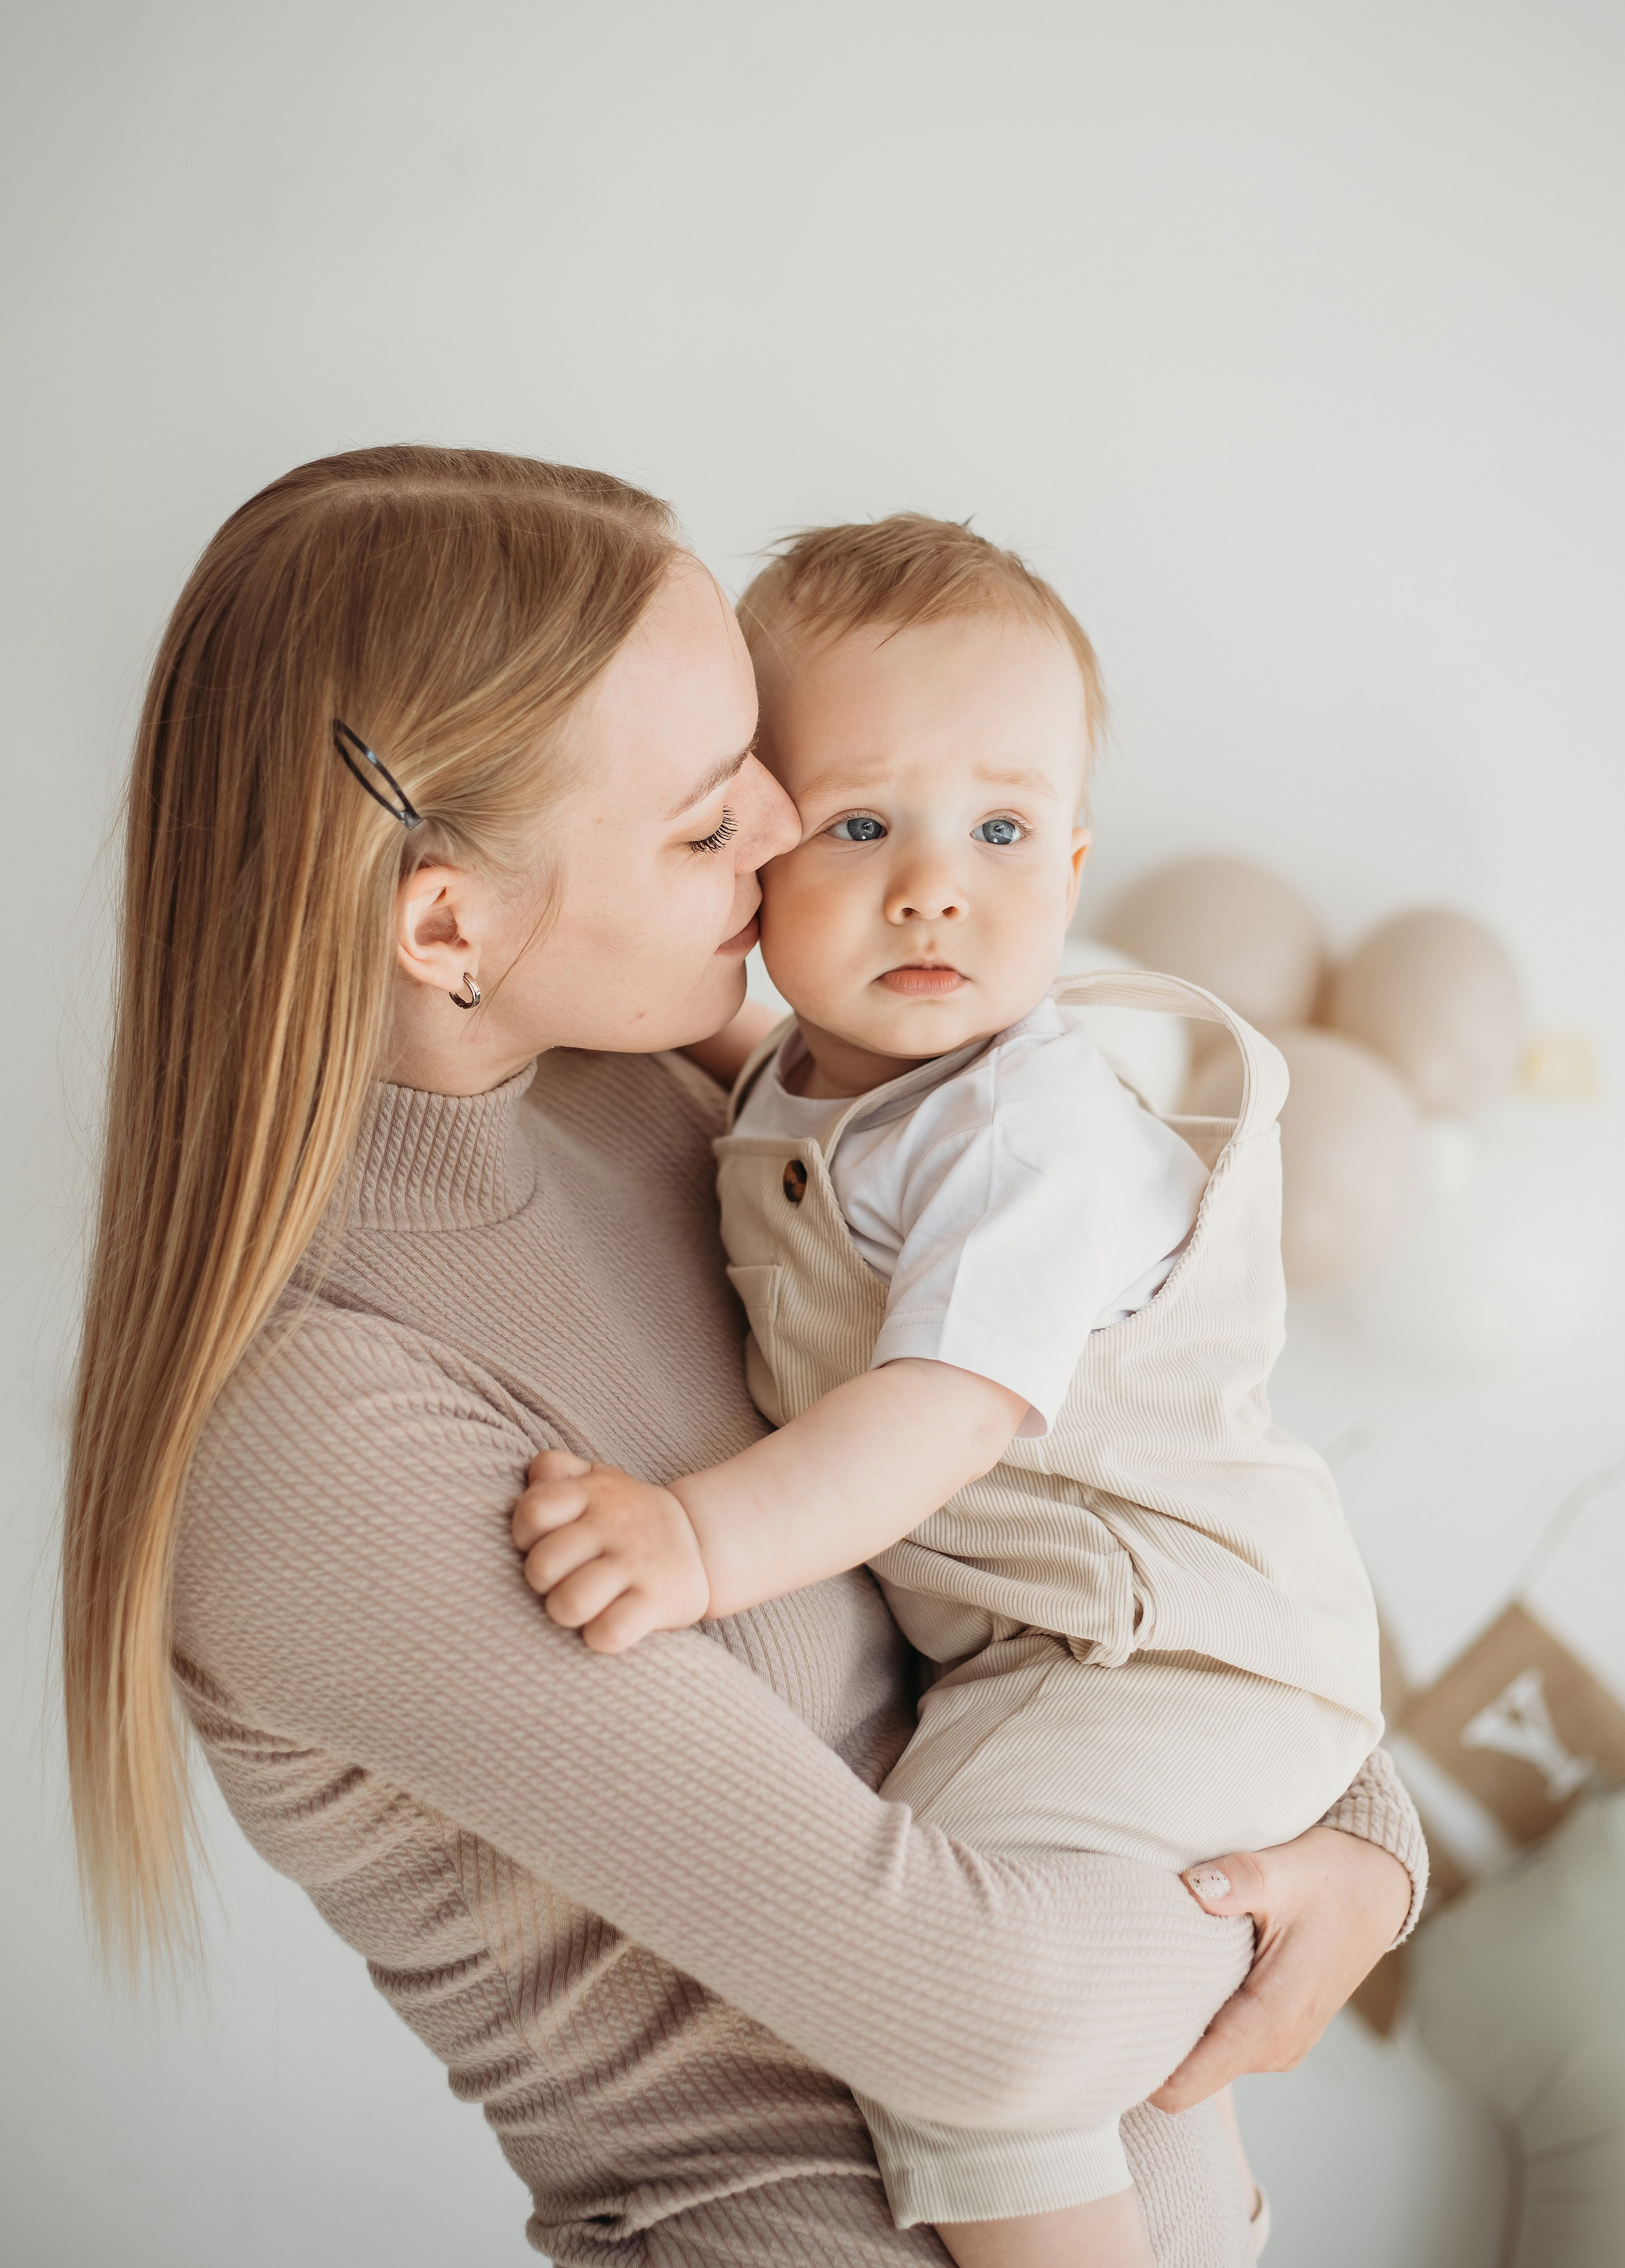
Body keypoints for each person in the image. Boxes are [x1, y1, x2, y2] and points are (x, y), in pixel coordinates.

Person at [63, 448, 1424, 2268]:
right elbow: (985, 2016)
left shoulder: (687, 1099)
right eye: (715, 820)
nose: (797, 833)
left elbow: (1113, 1489)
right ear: (446, 923)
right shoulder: (321, 1430)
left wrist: (1363, 1825)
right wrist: (1298, 1899)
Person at [510, 517, 1386, 2266]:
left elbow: (942, 1407)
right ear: (753, 853)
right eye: (862, 826)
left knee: (947, 1966)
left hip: (1172, 1652)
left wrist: (692, 1545)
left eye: (998, 831)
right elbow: (786, 1112)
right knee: (1080, 2003)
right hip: (1054, 1652)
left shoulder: (1037, 1131)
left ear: (1068, 866)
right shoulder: (826, 1080)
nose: (934, 887)